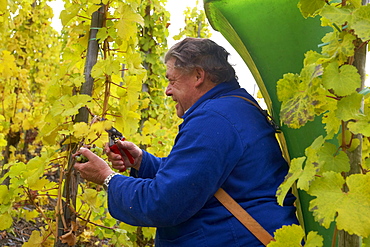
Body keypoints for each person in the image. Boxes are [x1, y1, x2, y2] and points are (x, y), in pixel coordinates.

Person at [74, 38, 298, 246]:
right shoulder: (233, 107)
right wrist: (141, 161)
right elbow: (196, 178)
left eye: (172, 80)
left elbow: (164, 203)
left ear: (198, 76)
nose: (167, 91)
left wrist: (106, 178)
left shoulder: (214, 119)